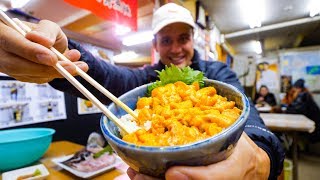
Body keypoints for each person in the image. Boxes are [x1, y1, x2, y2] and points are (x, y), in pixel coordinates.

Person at [0, 3, 284, 179]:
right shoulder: (147, 81)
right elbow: (104, 76)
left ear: (193, 40)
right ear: (156, 45)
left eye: (183, 38)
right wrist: (61, 55)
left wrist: (260, 160)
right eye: (166, 40)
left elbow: (255, 127)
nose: (175, 49)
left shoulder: (217, 73)